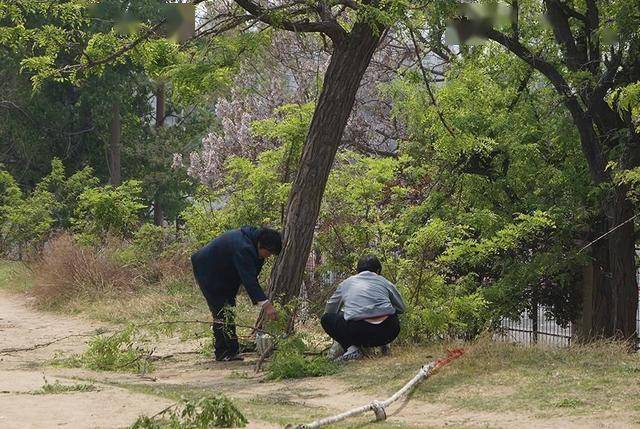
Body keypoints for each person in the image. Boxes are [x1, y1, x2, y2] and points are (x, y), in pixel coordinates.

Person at [191, 226, 281, 361]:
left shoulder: (252, 242)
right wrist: (266, 305)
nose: (268, 257)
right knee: (221, 311)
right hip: (208, 270)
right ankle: (223, 352)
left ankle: (232, 350)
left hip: (225, 273)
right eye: (268, 253)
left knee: (229, 309)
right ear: (261, 245)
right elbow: (249, 279)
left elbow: (251, 275)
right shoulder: (243, 247)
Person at [321, 255, 405, 361]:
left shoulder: (346, 283)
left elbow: (329, 311)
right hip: (389, 331)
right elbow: (401, 308)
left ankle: (352, 349)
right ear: (378, 270)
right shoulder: (385, 282)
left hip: (358, 332)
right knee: (391, 312)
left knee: (327, 319)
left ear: (357, 271)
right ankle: (385, 346)